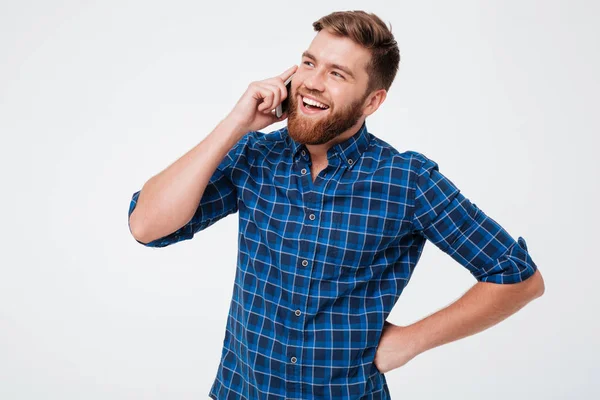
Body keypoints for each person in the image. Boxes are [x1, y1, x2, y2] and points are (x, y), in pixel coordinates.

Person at [127, 10, 545, 400]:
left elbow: (517, 276)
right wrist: (236, 123)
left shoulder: (406, 181)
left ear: (372, 102)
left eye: (337, 74)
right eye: (309, 63)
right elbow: (147, 226)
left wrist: (411, 341)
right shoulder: (256, 156)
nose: (313, 82)